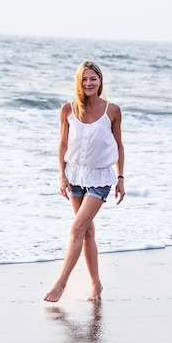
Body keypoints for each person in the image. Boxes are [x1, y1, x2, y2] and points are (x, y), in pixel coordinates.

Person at [43, 60, 125, 303]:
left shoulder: (112, 110)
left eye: (93, 79)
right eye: (84, 79)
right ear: (78, 82)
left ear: (100, 81)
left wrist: (120, 177)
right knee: (87, 231)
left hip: (101, 176)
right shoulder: (68, 109)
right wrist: (61, 175)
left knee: (77, 228)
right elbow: (62, 145)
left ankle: (61, 283)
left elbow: (119, 145)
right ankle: (95, 285)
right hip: (75, 176)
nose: (89, 83)